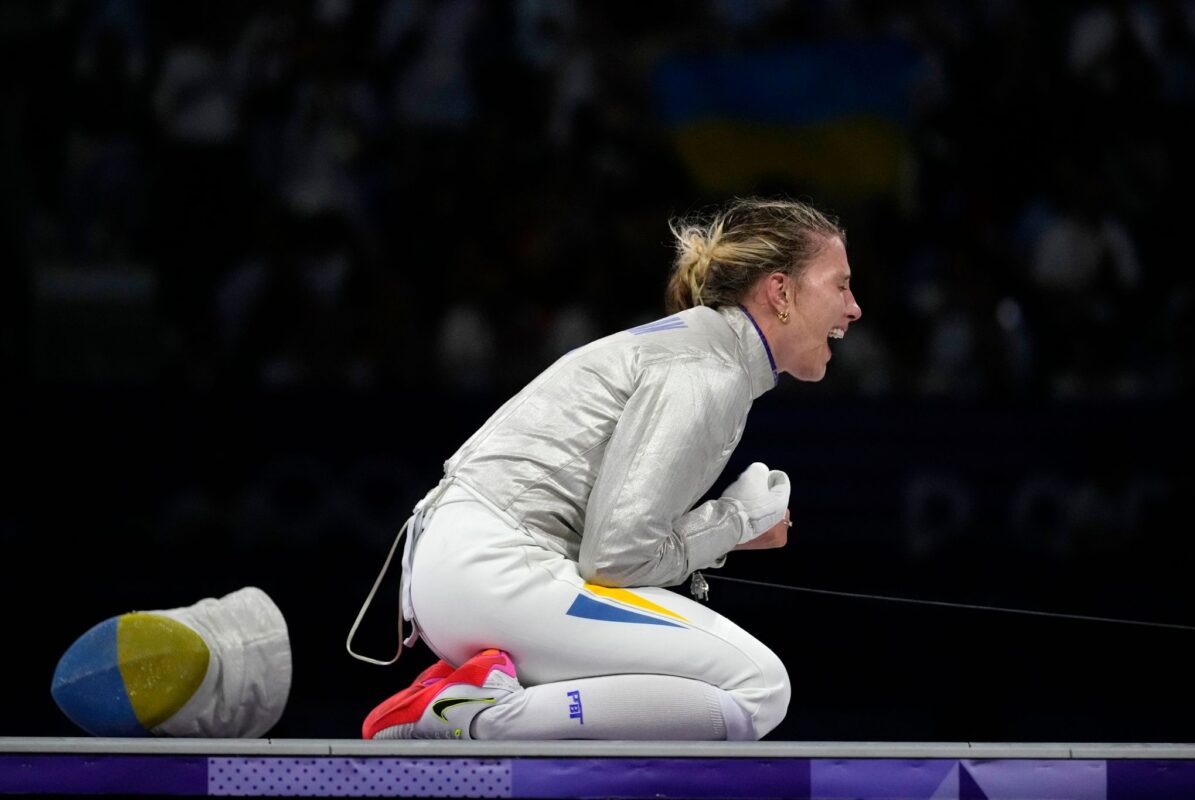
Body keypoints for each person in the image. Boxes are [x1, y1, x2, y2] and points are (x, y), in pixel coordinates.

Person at [351, 196, 862, 740]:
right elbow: (615, 559)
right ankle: (475, 717)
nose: (853, 308)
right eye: (840, 284)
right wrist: (735, 522)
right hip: (495, 570)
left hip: (466, 572)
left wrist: (734, 528)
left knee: (720, 685)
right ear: (780, 292)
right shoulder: (708, 370)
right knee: (758, 685)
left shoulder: (704, 351)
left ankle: (479, 698)